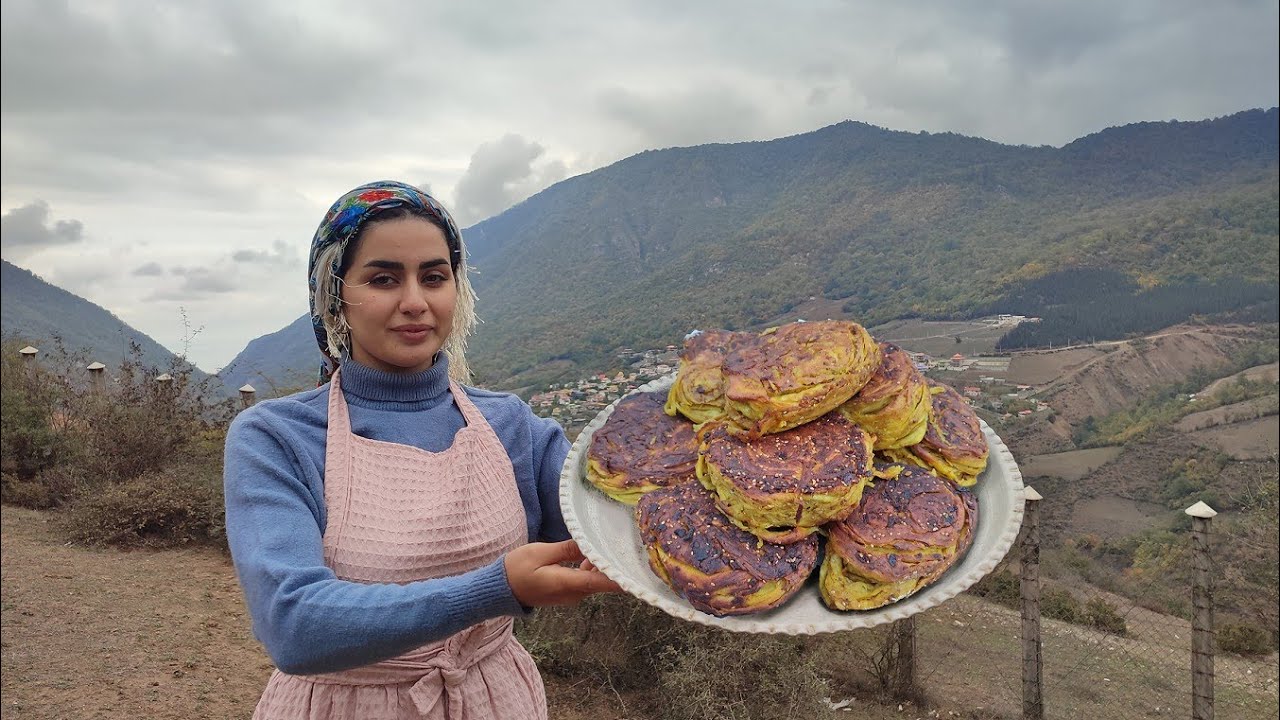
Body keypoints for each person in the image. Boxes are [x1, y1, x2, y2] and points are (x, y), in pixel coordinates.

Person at [223, 180, 622, 720]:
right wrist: (497, 588)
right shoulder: (277, 436)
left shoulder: (512, 425)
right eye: (383, 279)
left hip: (493, 701)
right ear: (335, 295)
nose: (415, 302)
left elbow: (622, 532)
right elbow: (293, 626)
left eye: (434, 277)